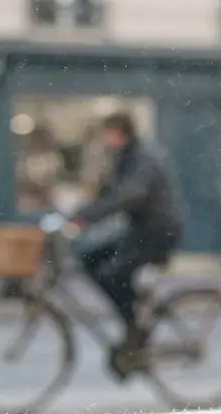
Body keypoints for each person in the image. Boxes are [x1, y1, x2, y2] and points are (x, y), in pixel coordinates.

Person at [73, 113, 182, 374]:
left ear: (120, 133)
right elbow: (112, 193)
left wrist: (88, 216)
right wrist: (85, 210)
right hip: (139, 229)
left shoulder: (143, 158)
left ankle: (135, 328)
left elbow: (130, 194)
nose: (104, 140)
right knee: (89, 258)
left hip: (158, 231)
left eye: (107, 133)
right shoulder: (126, 157)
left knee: (114, 273)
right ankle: (133, 320)